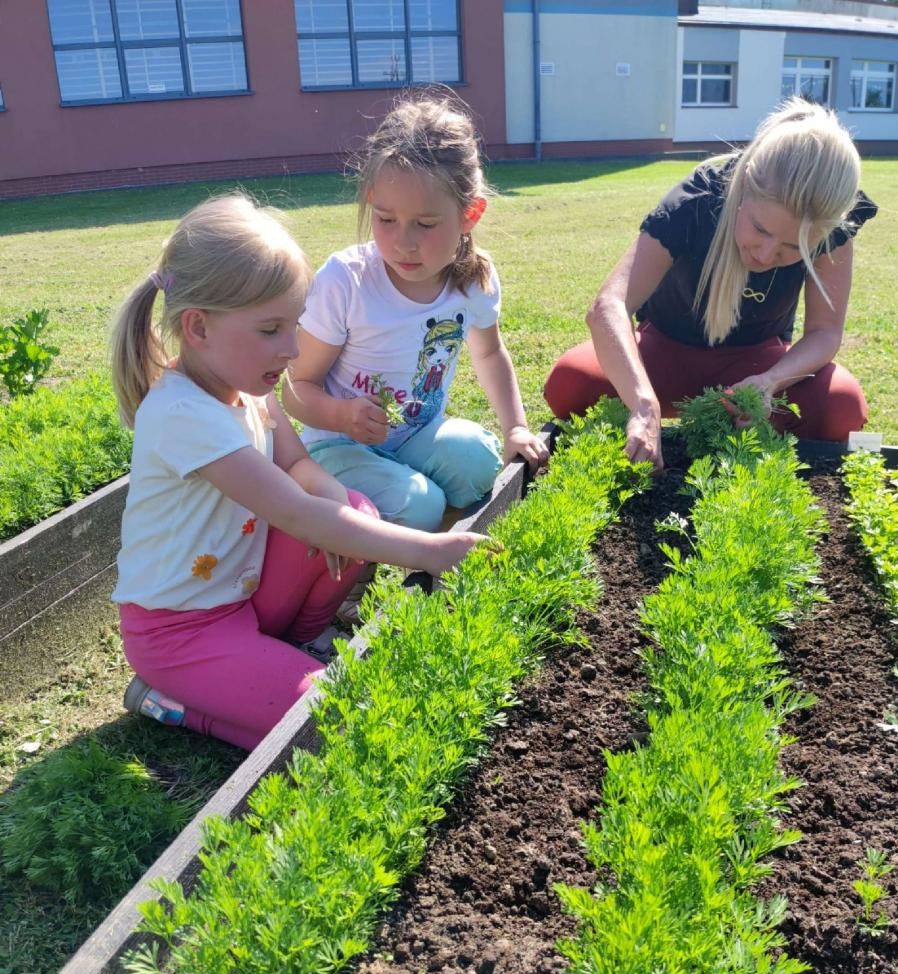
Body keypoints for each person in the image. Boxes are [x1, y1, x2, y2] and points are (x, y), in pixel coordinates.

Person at [110, 194, 485, 751]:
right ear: (198, 328)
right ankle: (173, 704)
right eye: (271, 330)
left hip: (241, 595)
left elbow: (300, 467)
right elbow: (293, 512)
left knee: (351, 510)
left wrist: (339, 503)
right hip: (180, 633)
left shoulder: (245, 387)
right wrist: (428, 551)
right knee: (332, 721)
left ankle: (300, 647)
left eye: (296, 325)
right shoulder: (182, 413)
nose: (292, 349)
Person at [544, 99, 877, 471]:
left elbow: (824, 333)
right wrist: (643, 403)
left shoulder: (835, 229)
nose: (766, 255)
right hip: (665, 352)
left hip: (755, 363)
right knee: (571, 382)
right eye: (761, 230)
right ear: (745, 184)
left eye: (791, 247)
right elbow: (609, 306)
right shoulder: (696, 201)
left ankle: (746, 436)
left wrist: (770, 381)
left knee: (841, 405)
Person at [283, 92, 548, 532]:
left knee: (478, 461)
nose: (403, 242)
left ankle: (418, 526)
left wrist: (516, 427)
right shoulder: (347, 281)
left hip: (415, 436)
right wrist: (340, 415)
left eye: (425, 224)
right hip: (338, 447)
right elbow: (295, 387)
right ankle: (389, 534)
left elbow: (489, 354)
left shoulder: (474, 280)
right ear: (370, 199)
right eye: (386, 219)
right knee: (420, 505)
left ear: (470, 214)